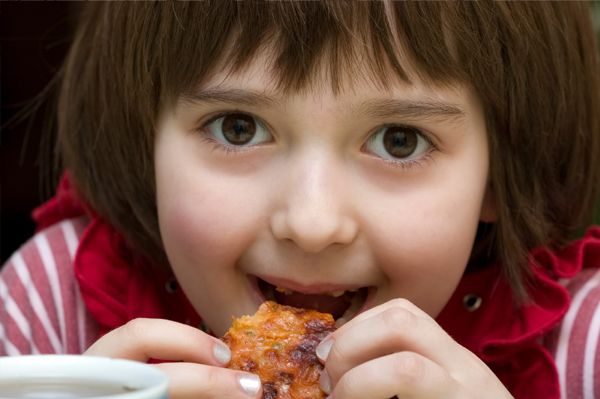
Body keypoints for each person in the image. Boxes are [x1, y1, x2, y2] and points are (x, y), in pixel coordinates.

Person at [1, 1, 599, 398]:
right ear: (145, 143)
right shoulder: (51, 313)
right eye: (238, 127)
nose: (312, 224)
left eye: (399, 140)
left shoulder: (584, 350)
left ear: (500, 172)